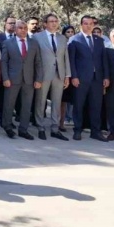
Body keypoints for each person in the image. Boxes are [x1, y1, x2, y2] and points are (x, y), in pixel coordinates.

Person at [68, 15, 110, 141]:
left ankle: (95, 131)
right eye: (86, 23)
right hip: (80, 79)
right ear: (81, 25)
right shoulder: (74, 40)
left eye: (91, 23)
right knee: (79, 105)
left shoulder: (99, 40)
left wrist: (106, 76)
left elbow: (104, 60)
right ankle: (77, 130)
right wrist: (74, 76)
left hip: (97, 79)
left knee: (96, 106)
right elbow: (71, 61)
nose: (89, 26)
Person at [1, 20, 42, 140]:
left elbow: (38, 62)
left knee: (27, 105)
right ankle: (7, 127)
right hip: (12, 79)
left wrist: (38, 79)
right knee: (9, 104)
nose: (23, 30)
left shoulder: (34, 43)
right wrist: (6, 78)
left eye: (24, 28)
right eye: (20, 28)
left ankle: (23, 129)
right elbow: (4, 62)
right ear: (15, 30)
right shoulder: (8, 43)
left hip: (29, 79)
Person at [34, 13, 71, 141]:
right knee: (40, 101)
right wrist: (36, 76)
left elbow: (66, 58)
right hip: (43, 74)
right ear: (45, 23)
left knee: (57, 101)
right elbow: (34, 57)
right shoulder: (37, 37)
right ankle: (40, 127)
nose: (54, 23)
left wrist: (67, 75)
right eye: (51, 21)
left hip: (59, 74)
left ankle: (55, 128)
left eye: (56, 21)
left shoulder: (62, 38)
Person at [60, 25, 76, 131]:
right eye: (68, 32)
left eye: (72, 32)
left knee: (67, 101)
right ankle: (59, 122)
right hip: (61, 75)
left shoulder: (75, 44)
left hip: (72, 75)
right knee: (60, 101)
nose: (70, 34)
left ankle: (66, 121)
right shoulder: (61, 44)